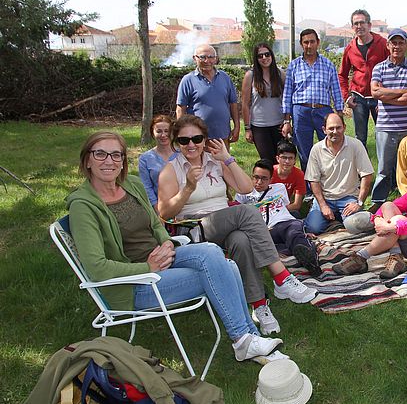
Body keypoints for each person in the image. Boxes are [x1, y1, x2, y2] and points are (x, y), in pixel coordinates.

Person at [67, 132, 284, 363]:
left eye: (116, 155)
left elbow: (155, 222)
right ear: (87, 160)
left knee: (214, 254)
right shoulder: (84, 207)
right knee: (223, 270)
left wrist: (167, 243)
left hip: (162, 261)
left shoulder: (131, 185)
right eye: (100, 154)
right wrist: (147, 267)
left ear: (122, 161)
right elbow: (97, 268)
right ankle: (245, 338)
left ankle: (248, 338)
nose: (109, 161)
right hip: (133, 284)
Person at [157, 115, 317, 336]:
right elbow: (164, 213)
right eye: (184, 141)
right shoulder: (171, 171)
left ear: (204, 139)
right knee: (247, 211)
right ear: (177, 143)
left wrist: (227, 158)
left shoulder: (215, 162)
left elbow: (245, 189)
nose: (191, 144)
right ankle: (281, 277)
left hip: (226, 224)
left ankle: (259, 305)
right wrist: (188, 188)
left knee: (241, 241)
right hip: (195, 230)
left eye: (196, 138)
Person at [332, 152, 407, 280]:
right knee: (388, 205)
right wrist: (378, 219)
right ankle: (396, 257)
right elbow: (389, 206)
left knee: (398, 220)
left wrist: (391, 227)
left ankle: (361, 257)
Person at [235, 160, 321, 277]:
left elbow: (286, 207)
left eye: (264, 179)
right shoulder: (243, 193)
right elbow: (237, 214)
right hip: (265, 230)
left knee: (293, 231)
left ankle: (310, 262)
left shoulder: (279, 188)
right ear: (251, 176)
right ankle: (299, 248)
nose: (259, 182)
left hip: (286, 222)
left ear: (271, 180)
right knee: (292, 238)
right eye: (256, 177)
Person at [370, 28, 407, 208]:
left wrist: (387, 95)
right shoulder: (379, 68)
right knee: (384, 169)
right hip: (385, 127)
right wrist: (402, 91)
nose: (397, 46)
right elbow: (375, 92)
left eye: (401, 43)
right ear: (388, 45)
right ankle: (378, 202)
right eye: (394, 43)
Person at [281, 29, 345, 170]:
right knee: (305, 152)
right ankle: (309, 187)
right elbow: (287, 94)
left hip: (323, 112)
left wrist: (339, 115)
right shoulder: (294, 66)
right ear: (301, 44)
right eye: (306, 42)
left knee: (329, 148)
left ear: (318, 43)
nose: (309, 45)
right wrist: (286, 121)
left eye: (312, 42)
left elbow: (336, 90)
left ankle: (328, 183)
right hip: (301, 112)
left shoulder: (328, 65)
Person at [304, 113, 374, 234]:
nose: (335, 131)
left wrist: (359, 202)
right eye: (331, 128)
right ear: (324, 130)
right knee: (312, 228)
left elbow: (367, 175)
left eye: (338, 127)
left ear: (344, 127)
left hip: (348, 198)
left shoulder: (356, 145)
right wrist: (323, 205)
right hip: (325, 198)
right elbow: (313, 180)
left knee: (353, 226)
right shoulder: (316, 149)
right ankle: (335, 219)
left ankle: (351, 219)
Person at [338, 9, 388, 147]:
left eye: (362, 22)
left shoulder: (382, 43)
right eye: (356, 23)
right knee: (360, 138)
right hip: (358, 97)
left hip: (379, 96)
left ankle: (384, 167)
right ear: (352, 27)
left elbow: (392, 68)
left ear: (369, 25)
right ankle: (362, 168)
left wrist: (387, 97)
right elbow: (342, 74)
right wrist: (346, 97)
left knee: (383, 135)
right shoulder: (350, 48)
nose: (359, 26)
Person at [176, 44, 240, 142]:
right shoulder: (188, 80)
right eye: (202, 57)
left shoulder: (225, 77)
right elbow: (181, 109)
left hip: (222, 135)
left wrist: (237, 127)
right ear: (195, 58)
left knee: (223, 158)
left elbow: (233, 104)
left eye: (211, 57)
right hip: (197, 137)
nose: (207, 61)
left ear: (215, 59)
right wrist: (181, 132)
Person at [242, 43, 284, 167]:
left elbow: (287, 99)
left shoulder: (280, 74)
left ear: (272, 55)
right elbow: (245, 104)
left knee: (281, 161)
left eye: (267, 54)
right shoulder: (250, 76)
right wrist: (247, 128)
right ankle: (269, 185)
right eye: (260, 56)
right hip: (259, 127)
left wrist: (287, 121)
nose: (264, 58)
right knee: (268, 161)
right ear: (256, 58)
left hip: (279, 125)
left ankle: (282, 186)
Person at [138, 114, 177, 210]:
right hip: (160, 206)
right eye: (158, 131)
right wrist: (157, 209)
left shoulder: (182, 154)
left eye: (166, 131)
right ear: (152, 133)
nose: (163, 135)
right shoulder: (145, 159)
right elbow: (147, 188)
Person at [271, 139, 305, 217]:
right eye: (284, 157)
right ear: (277, 159)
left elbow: (297, 205)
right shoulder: (270, 172)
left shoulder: (299, 174)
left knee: (296, 214)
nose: (287, 161)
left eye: (290, 158)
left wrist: (279, 210)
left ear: (294, 160)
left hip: (285, 208)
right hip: (267, 207)